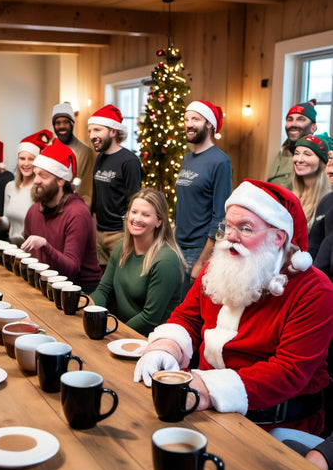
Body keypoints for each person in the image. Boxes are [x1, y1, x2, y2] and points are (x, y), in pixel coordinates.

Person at [134, 179, 333, 434]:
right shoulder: (218, 266)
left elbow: (288, 371)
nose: (230, 236)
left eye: (245, 228)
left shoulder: (313, 290)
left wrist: (206, 387)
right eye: (227, 225)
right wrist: (166, 348)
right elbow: (188, 317)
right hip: (202, 405)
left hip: (276, 425)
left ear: (277, 237)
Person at [90, 188, 183, 336]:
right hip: (122, 332)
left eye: (145, 215)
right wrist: (91, 313)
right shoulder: (122, 247)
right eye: (134, 212)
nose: (137, 219)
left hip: (150, 340)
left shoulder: (166, 261)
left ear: (159, 221)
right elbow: (103, 290)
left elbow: (149, 319)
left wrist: (114, 333)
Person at [22, 138, 101, 292]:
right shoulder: (34, 210)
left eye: (43, 176)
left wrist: (45, 245)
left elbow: (71, 269)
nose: (36, 181)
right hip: (47, 285)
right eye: (35, 174)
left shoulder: (77, 213)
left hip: (79, 290)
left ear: (61, 181)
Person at [175, 100, 232, 297]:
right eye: (186, 119)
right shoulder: (187, 158)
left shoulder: (220, 161)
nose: (189, 124)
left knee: (185, 309)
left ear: (209, 124)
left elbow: (221, 217)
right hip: (177, 243)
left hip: (198, 249)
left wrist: (202, 260)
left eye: (196, 119)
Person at [89, 104, 142, 267]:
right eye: (90, 130)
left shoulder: (129, 161)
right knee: (103, 278)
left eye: (97, 130)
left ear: (113, 131)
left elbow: (134, 201)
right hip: (99, 233)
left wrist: (129, 235)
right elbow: (96, 198)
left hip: (119, 234)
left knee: (120, 279)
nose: (92, 135)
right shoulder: (99, 158)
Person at [0, 129, 52, 246]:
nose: (26, 164)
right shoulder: (10, 187)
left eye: (31, 159)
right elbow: (7, 223)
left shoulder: (42, 190)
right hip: (12, 248)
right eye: (22, 158)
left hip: (34, 253)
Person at [267, 100, 318, 190]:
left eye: (301, 119)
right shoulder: (282, 152)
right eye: (290, 119)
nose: (293, 124)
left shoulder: (320, 158)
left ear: (313, 127)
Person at [52, 102, 95, 206]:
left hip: (74, 210)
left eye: (66, 122)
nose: (61, 126)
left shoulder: (85, 152)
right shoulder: (48, 149)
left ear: (72, 124)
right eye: (57, 122)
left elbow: (87, 193)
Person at [291, 132, 332, 229]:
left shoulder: (329, 201)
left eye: (307, 154)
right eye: (296, 153)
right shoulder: (290, 196)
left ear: (321, 162)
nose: (299, 159)